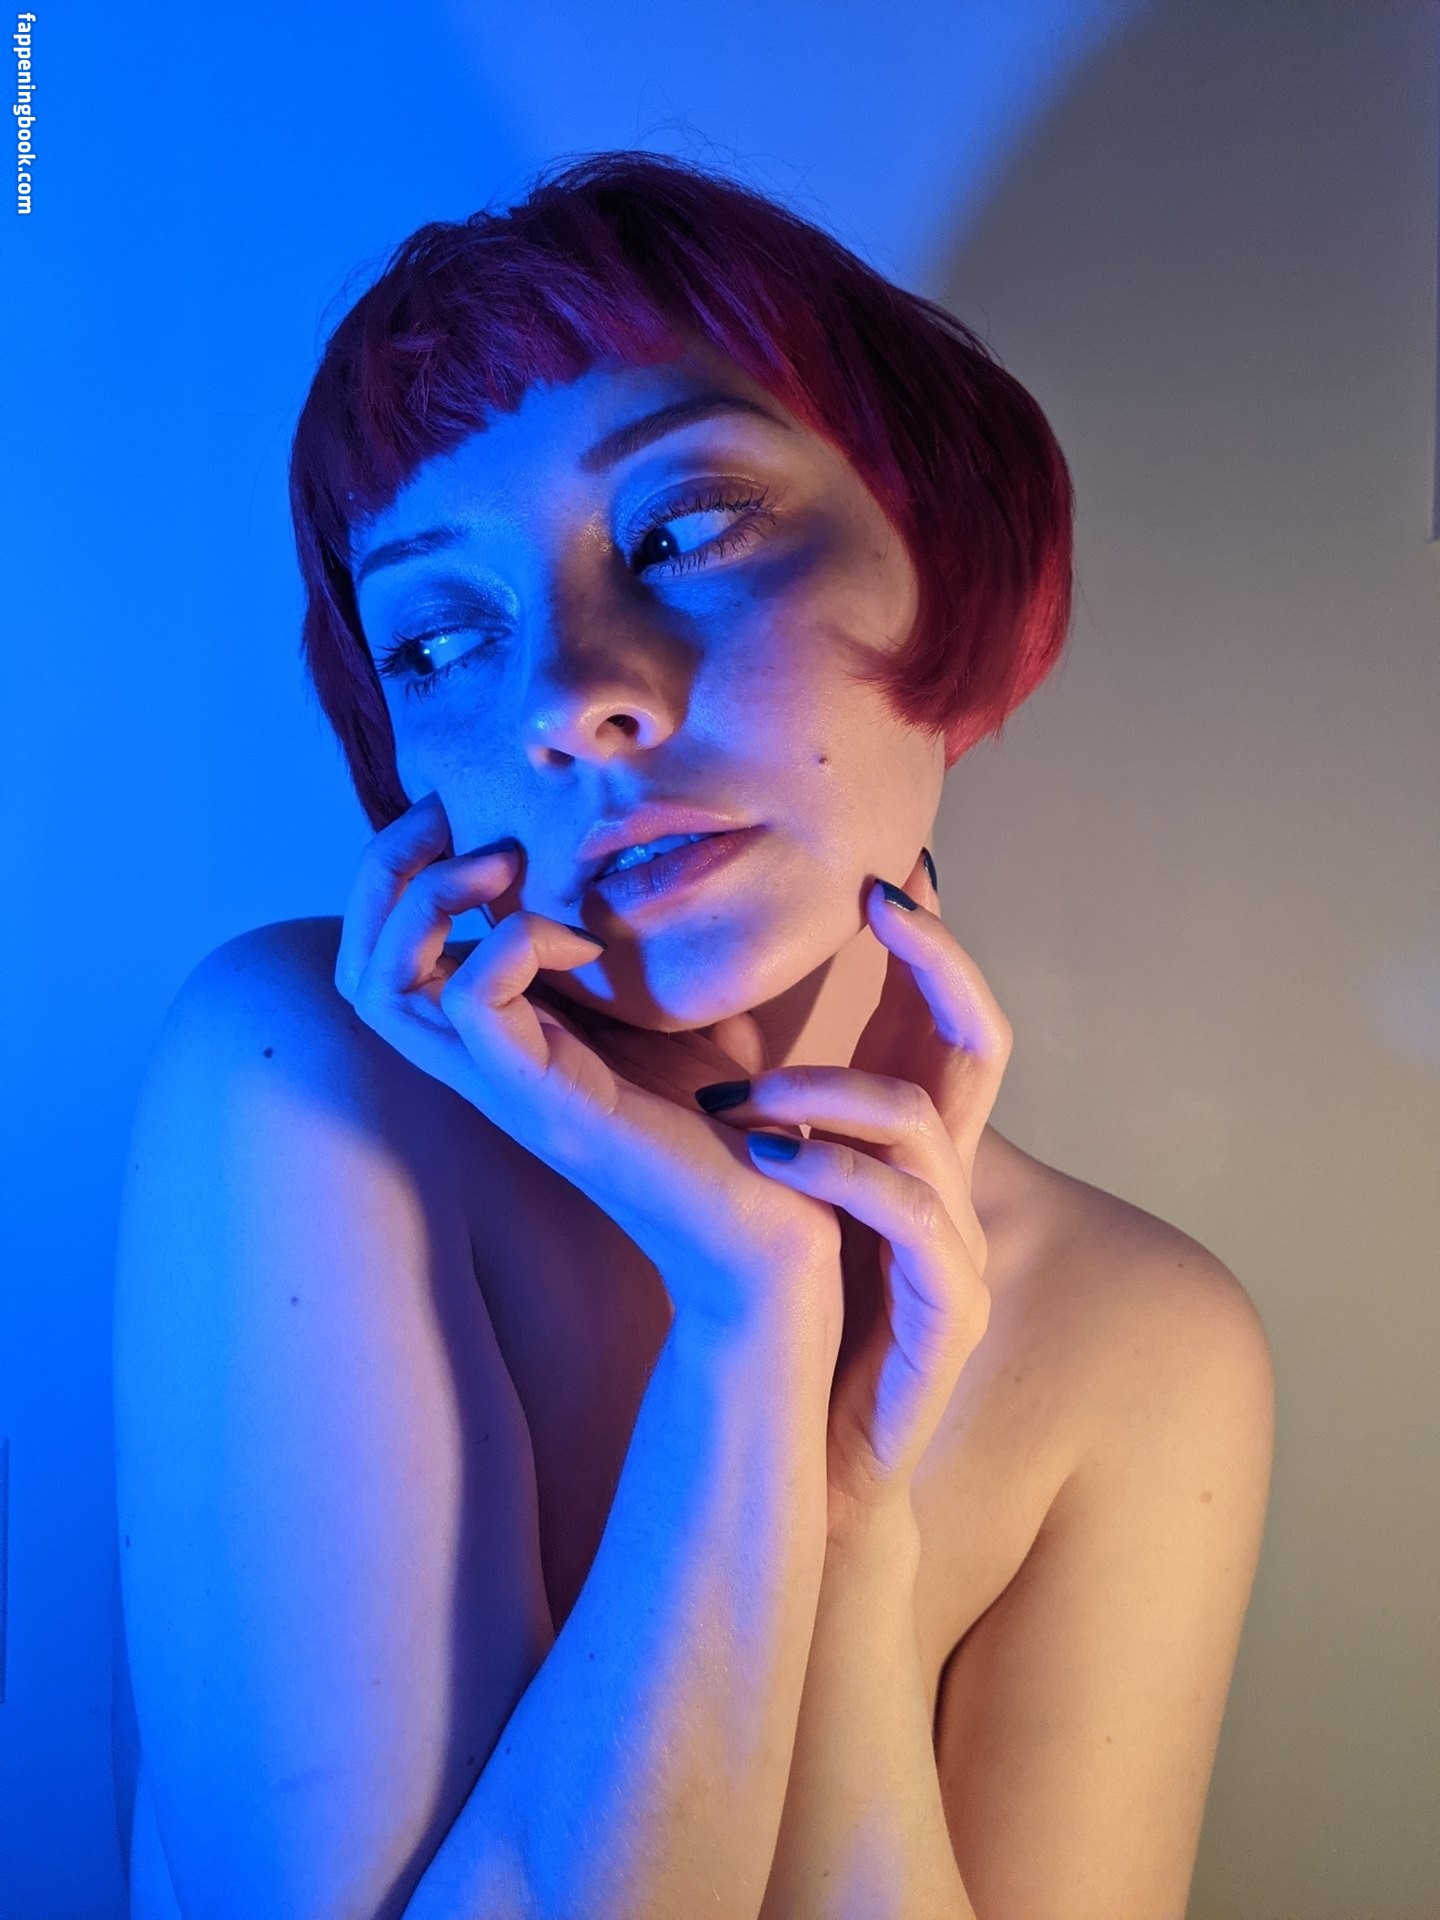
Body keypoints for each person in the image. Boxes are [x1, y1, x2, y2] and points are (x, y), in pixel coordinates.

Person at [112, 150, 1275, 1920]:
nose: (573, 696)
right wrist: (751, 1327)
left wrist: (849, 1534)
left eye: (685, 533)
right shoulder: (301, 1088)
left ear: (944, 553)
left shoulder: (1150, 1343)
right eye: (440, 637)